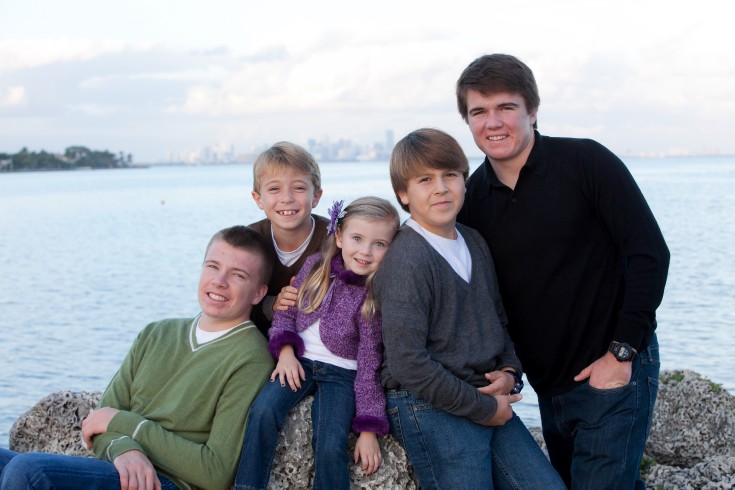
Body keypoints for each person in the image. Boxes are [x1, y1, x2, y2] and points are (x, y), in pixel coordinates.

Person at [456, 53, 670, 488]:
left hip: (614, 371)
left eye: (506, 107)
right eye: (479, 111)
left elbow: (649, 254)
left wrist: (622, 353)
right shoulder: (472, 200)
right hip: (549, 388)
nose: (493, 122)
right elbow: (486, 300)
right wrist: (509, 370)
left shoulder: (586, 162)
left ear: (532, 110)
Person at [0, 226, 276, 490]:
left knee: (29, 471)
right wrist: (124, 449)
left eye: (238, 275)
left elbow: (215, 471)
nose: (219, 281)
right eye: (212, 266)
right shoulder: (156, 333)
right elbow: (99, 420)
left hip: (165, 482)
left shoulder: (250, 358)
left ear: (258, 293)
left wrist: (128, 426)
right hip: (115, 466)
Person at [374, 128, 565, 490]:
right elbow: (407, 362)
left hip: (482, 391)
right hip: (426, 401)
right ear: (403, 194)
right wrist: (484, 409)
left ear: (464, 181)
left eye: (450, 175)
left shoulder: (474, 241)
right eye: (425, 180)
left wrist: (510, 371)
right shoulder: (408, 258)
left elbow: (498, 322)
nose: (441, 188)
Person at [234, 196, 400, 490]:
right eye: (357, 238)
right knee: (263, 412)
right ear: (340, 236)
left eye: (379, 244)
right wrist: (286, 352)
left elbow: (369, 363)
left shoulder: (374, 295)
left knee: (330, 443)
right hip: (299, 362)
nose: (365, 251)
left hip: (342, 375)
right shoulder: (315, 267)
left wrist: (368, 428)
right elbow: (286, 313)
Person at [248, 141, 329, 338]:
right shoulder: (248, 241)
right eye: (274, 189)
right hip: (259, 341)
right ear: (258, 199)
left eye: (299, 188)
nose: (287, 198)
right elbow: (233, 300)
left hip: (316, 345)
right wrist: (272, 304)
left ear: (316, 197)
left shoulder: (334, 239)